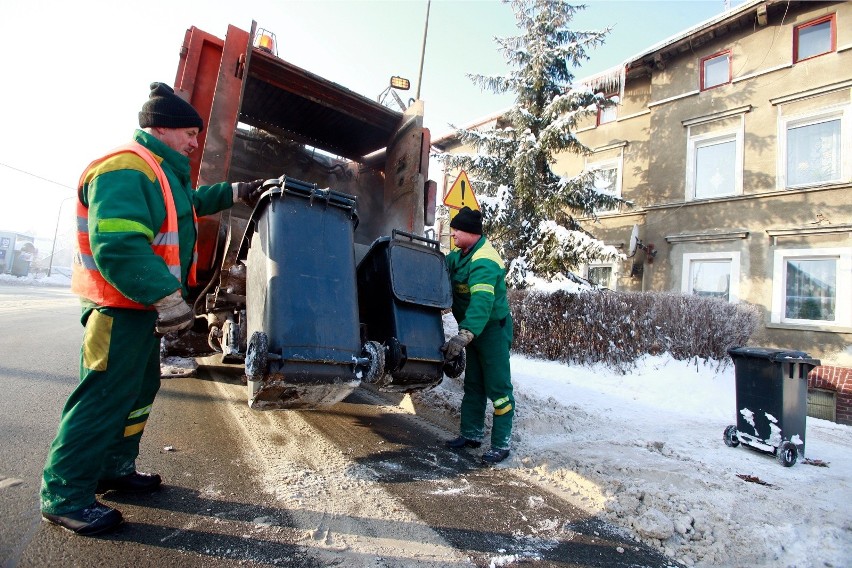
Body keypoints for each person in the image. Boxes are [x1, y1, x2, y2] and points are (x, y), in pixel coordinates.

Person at [40, 82, 266, 536]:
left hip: (139, 312)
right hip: (119, 310)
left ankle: (113, 468)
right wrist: (168, 299)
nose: (194, 141)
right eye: (189, 132)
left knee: (137, 392)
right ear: (160, 127)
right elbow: (119, 246)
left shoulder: (162, 173)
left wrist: (238, 190)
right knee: (102, 398)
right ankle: (64, 496)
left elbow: (189, 206)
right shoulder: (126, 168)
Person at [441, 206, 514, 464]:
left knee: (498, 388)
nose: (453, 235)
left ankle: (501, 444)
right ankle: (471, 434)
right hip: (473, 331)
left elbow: (482, 303)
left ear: (471, 233)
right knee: (474, 385)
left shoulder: (485, 260)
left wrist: (464, 336)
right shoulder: (460, 255)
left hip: (492, 330)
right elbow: (442, 267)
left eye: (457, 230)